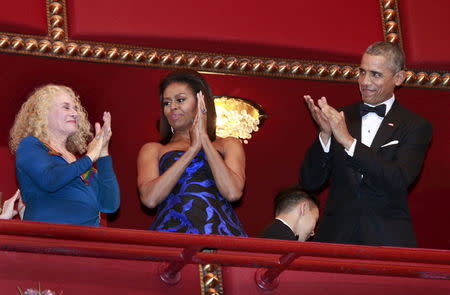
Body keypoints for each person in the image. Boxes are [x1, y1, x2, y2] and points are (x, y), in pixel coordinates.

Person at [300, 41, 432, 247]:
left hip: (386, 239)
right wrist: (325, 135)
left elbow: (399, 179)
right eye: (362, 72)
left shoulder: (415, 125)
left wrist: (349, 142)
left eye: (375, 74)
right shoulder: (340, 117)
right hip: (335, 239)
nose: (365, 81)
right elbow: (310, 182)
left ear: (398, 78)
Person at [137, 70, 246, 236]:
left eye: (180, 100)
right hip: (171, 241)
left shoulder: (228, 144)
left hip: (222, 240)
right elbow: (150, 199)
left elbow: (232, 192)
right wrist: (192, 150)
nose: (172, 107)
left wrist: (203, 140)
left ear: (200, 102)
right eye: (167, 103)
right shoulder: (153, 149)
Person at [9, 84, 120, 226]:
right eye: (66, 107)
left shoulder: (80, 165)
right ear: (43, 112)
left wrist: (103, 152)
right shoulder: (31, 145)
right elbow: (50, 179)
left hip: (86, 243)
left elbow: (109, 203)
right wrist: (91, 156)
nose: (75, 113)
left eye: (75, 108)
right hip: (48, 241)